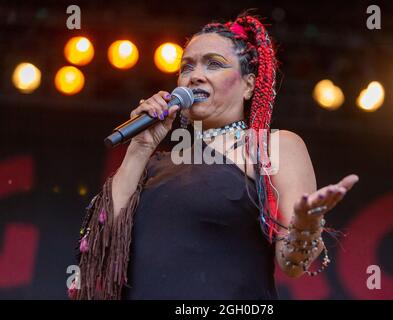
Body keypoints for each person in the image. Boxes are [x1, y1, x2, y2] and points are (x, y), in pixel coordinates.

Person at [71, 13, 359, 300]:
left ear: (248, 85)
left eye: (213, 64)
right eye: (187, 67)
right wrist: (140, 148)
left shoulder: (270, 146)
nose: (195, 75)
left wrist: (306, 228)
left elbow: (292, 263)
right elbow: (101, 249)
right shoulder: (154, 164)